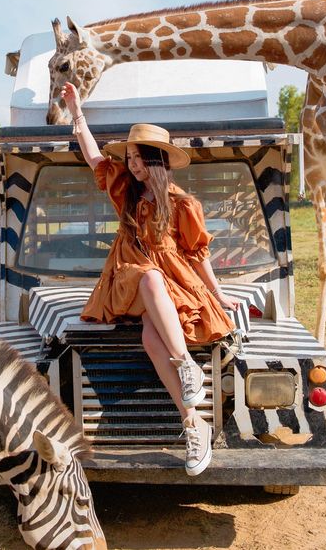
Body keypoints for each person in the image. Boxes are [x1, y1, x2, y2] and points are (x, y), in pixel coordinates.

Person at [61, 82, 240, 476]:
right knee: (149, 278)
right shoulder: (124, 190)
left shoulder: (182, 204)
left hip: (170, 282)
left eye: (138, 157)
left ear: (156, 159)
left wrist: (218, 294)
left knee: (149, 334)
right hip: (130, 279)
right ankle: (186, 364)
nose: (133, 164)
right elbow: (93, 156)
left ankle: (193, 422)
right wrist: (77, 111)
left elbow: (196, 253)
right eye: (129, 157)